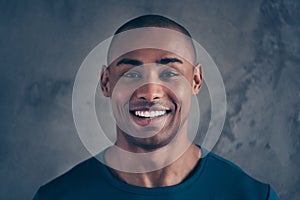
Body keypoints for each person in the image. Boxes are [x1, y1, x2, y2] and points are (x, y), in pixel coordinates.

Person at [33, 15, 279, 199]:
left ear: (196, 80)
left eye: (170, 72)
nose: (150, 93)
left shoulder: (252, 196)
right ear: (106, 83)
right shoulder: (57, 197)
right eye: (131, 74)